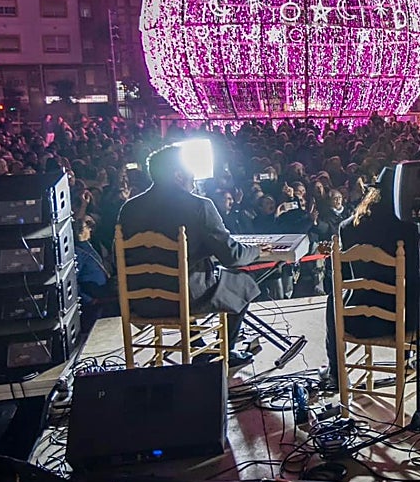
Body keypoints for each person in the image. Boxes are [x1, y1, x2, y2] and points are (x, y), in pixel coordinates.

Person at [117, 144, 296, 367]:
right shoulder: (198, 206)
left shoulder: (129, 209)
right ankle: (225, 353)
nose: (194, 176)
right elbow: (231, 256)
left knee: (204, 278)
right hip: (182, 299)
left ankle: (200, 347)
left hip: (141, 301)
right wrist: (258, 250)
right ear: (178, 174)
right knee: (242, 283)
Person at [327, 165, 420, 386]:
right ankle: (407, 358)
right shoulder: (417, 221)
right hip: (407, 321)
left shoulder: (347, 227)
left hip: (360, 321)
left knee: (333, 299)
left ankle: (336, 371)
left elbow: (348, 279)